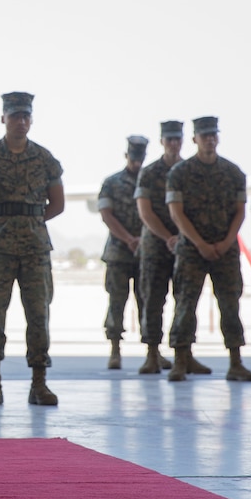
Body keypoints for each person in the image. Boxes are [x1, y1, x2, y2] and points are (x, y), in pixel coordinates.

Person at [0, 92, 65, 405]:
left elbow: (58, 204)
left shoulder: (45, 158)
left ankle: (39, 383)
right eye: (14, 116)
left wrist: (32, 220)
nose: (20, 121)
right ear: (3, 118)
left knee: (39, 315)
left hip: (35, 248)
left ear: (31, 119)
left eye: (25, 116)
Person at [165, 116, 251, 382]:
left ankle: (236, 362)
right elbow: (177, 214)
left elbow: (240, 212)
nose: (209, 139)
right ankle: (181, 361)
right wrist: (200, 244)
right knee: (185, 305)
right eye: (204, 135)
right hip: (192, 250)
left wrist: (226, 242)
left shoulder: (233, 172)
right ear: (194, 139)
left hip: (225, 250)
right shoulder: (179, 173)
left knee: (230, 305)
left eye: (213, 134)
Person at [134, 121, 183, 373]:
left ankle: (184, 353)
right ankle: (152, 353)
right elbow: (145, 212)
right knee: (153, 300)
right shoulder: (150, 172)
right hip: (156, 246)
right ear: (162, 141)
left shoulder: (190, 171)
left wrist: (183, 237)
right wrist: (168, 238)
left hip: (186, 246)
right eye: (169, 139)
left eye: (178, 139)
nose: (174, 144)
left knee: (185, 301)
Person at [98, 135, 148, 369]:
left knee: (148, 302)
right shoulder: (112, 182)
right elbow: (107, 215)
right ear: (126, 156)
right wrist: (129, 239)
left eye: (141, 158)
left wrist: (144, 239)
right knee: (117, 302)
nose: (137, 163)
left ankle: (152, 350)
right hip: (119, 252)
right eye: (133, 157)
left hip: (146, 252)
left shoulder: (151, 182)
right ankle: (115, 350)